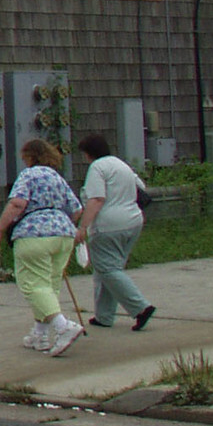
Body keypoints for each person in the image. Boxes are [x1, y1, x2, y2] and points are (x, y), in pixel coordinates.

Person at [0, 137, 85, 357]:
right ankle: (40, 334)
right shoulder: (57, 178)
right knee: (49, 285)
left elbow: (17, 203)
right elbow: (77, 209)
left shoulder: (29, 175)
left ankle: (63, 327)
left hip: (34, 233)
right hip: (63, 234)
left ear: (30, 157)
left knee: (33, 284)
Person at [75, 132, 156, 331]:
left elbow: (96, 199)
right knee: (109, 269)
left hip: (108, 225)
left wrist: (83, 227)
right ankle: (104, 315)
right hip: (133, 221)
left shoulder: (97, 167)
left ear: (89, 153)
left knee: (107, 269)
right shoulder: (122, 165)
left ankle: (140, 307)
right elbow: (141, 187)